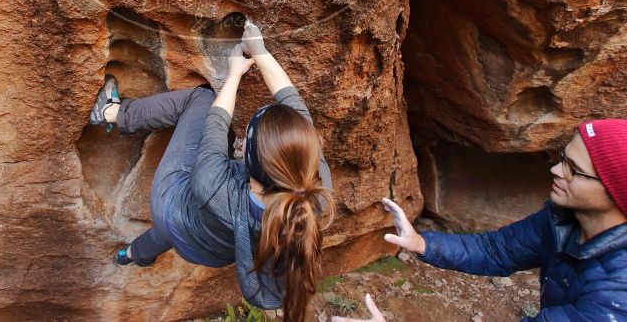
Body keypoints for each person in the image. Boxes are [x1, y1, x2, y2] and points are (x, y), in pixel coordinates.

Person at [89, 20, 335, 322]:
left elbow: (216, 122)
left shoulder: (214, 187)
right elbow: (296, 111)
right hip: (210, 252)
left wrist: (234, 74)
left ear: (248, 162)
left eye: (246, 138)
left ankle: (112, 113)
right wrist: (260, 53)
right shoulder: (313, 196)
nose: (241, 140)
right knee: (170, 233)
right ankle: (131, 255)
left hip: (172, 206)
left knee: (201, 99)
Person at [332, 120, 627, 322]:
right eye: (563, 158)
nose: (555, 170)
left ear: (616, 191)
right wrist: (422, 243)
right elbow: (496, 250)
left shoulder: (615, 297)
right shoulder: (564, 220)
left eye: (574, 170)